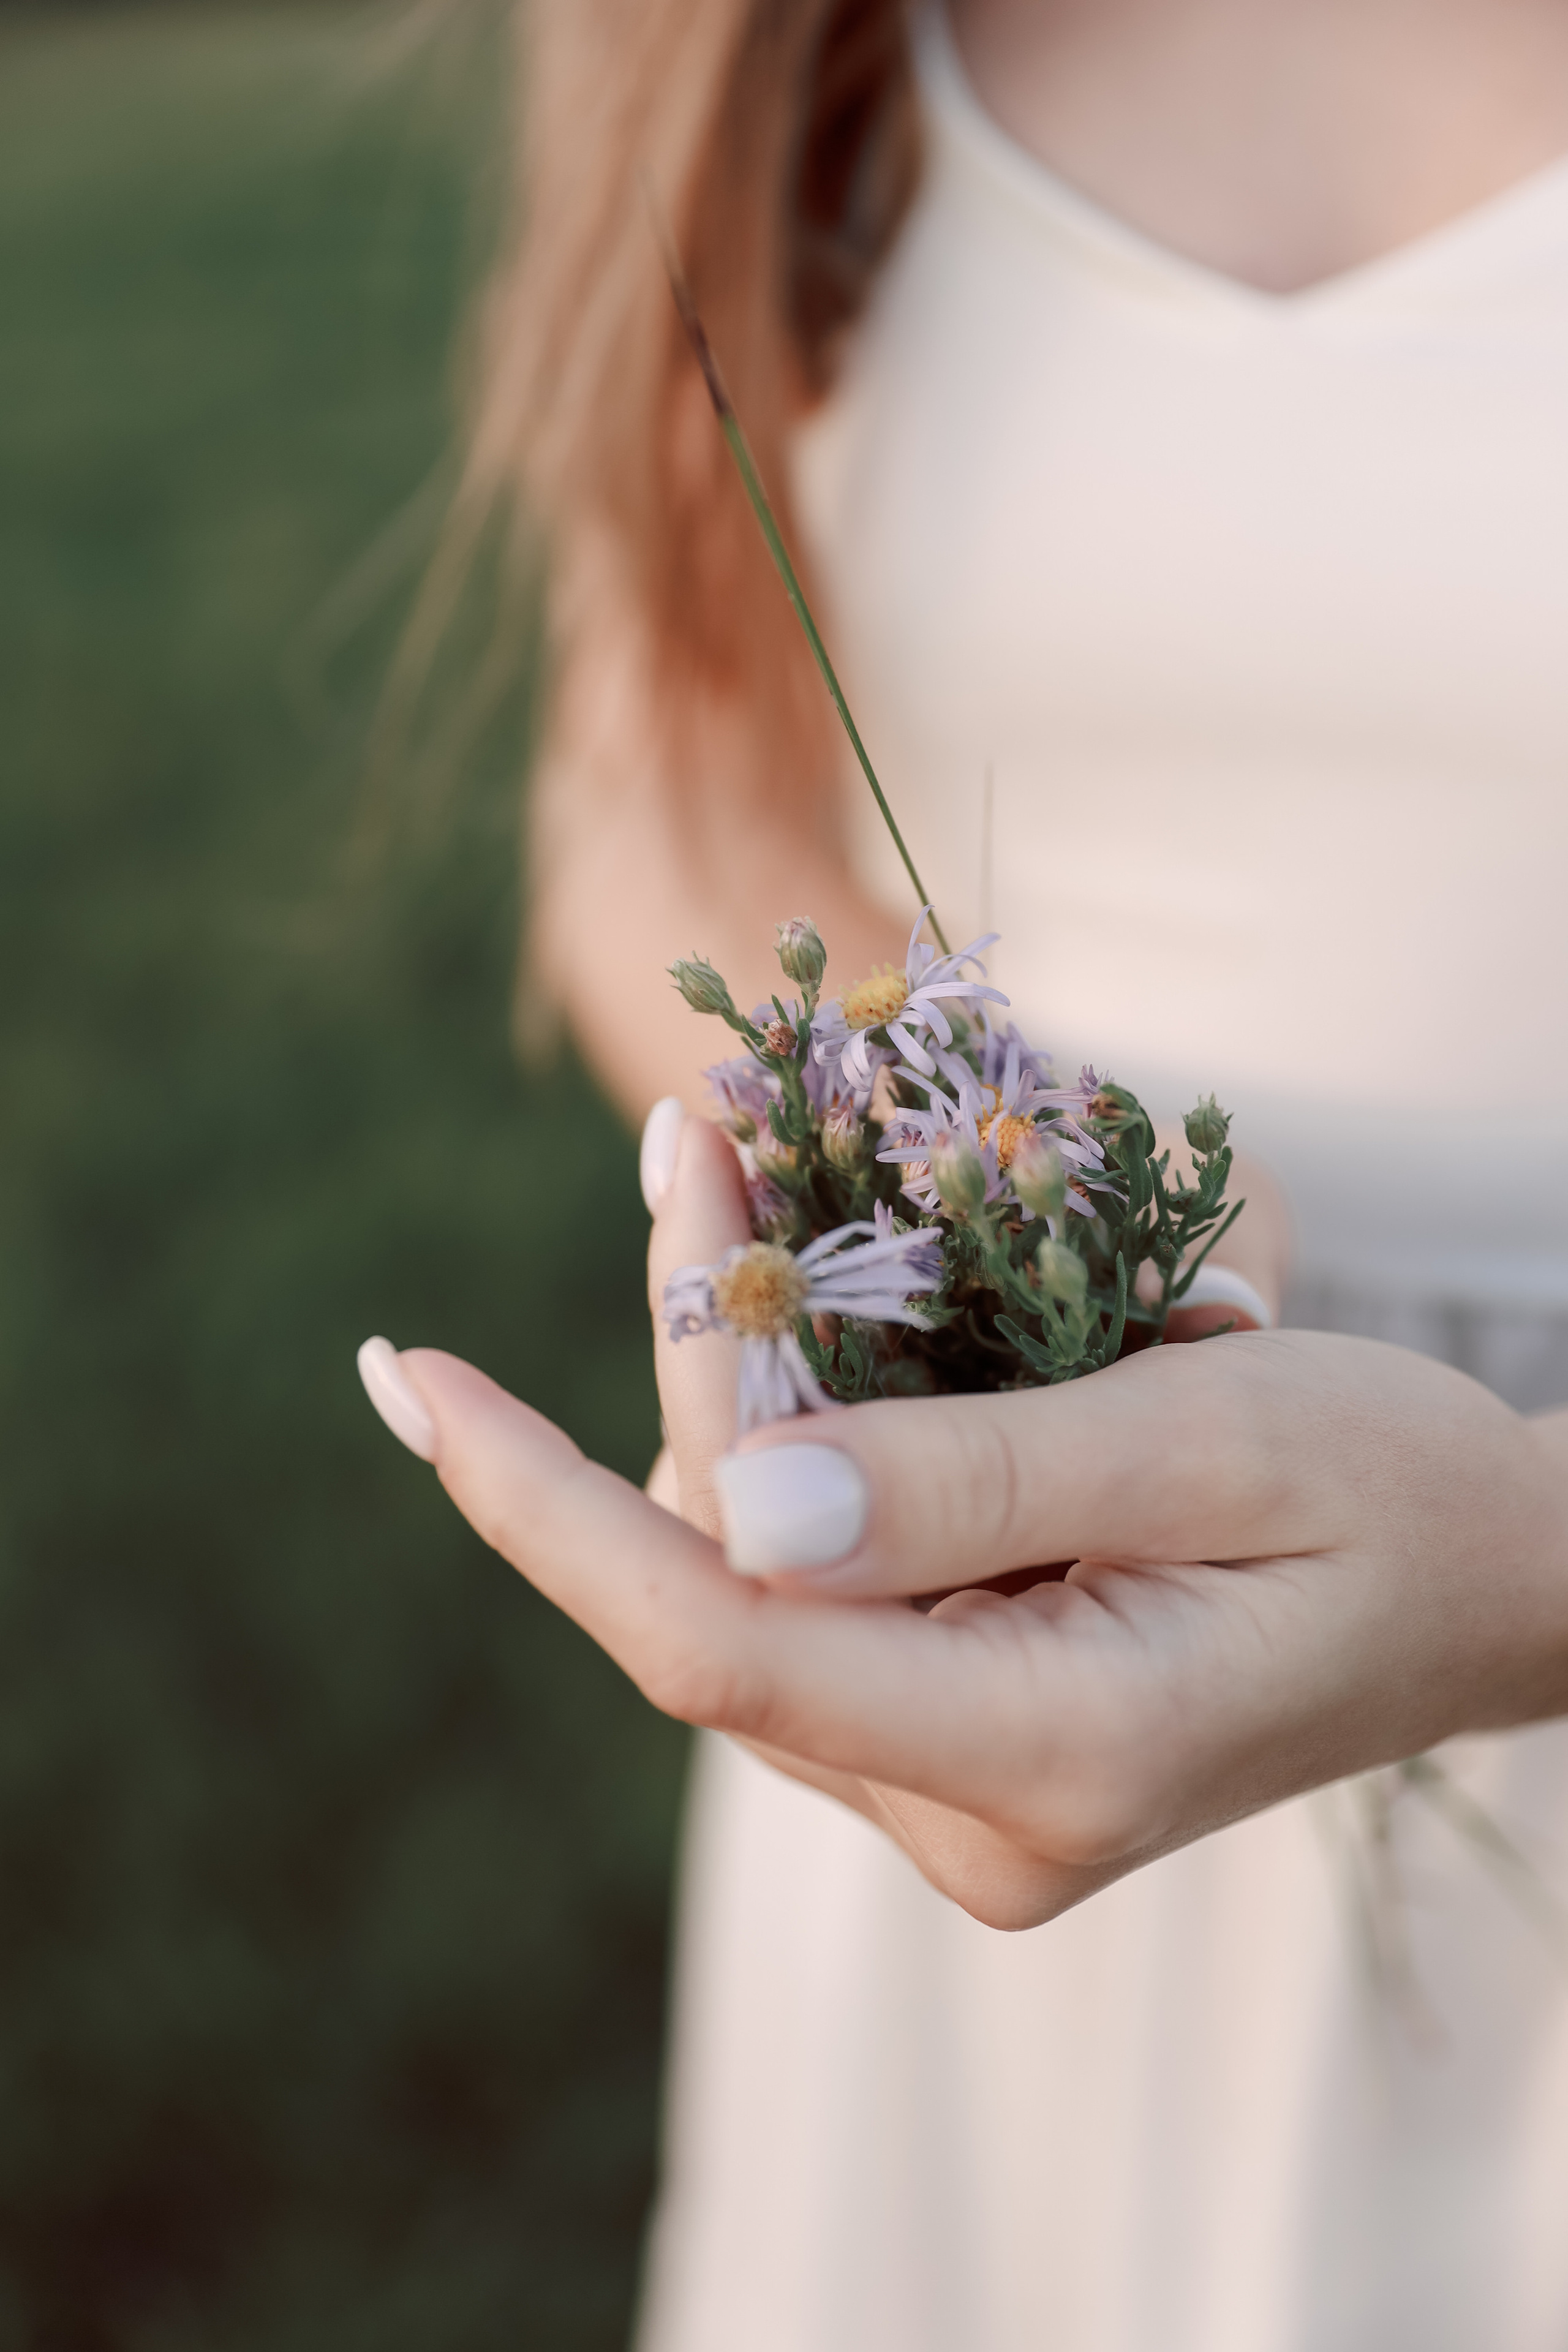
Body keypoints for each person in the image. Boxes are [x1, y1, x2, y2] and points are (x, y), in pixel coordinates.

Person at [358, 0, 1568, 2340]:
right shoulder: (723, 44)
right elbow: (657, 780)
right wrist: (883, 1223)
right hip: (1006, 1603)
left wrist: (1529, 1560)